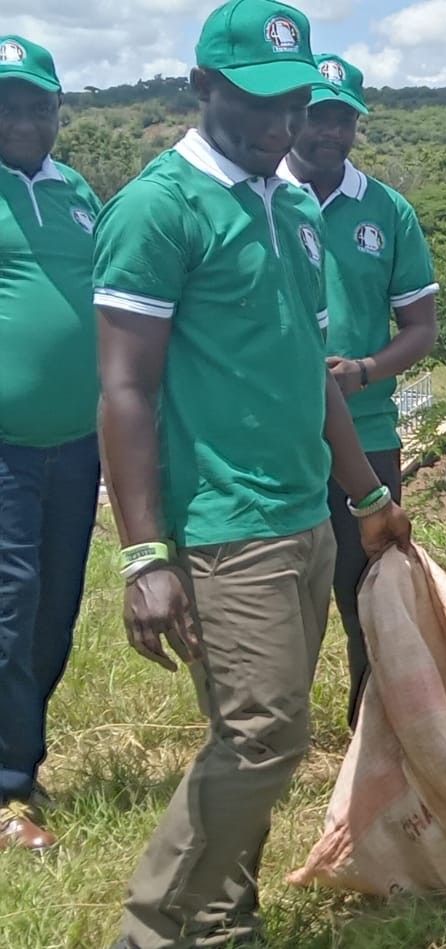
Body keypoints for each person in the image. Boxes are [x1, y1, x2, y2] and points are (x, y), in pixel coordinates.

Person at [92, 2, 409, 945]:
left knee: (251, 734)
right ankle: (153, 928)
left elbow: (311, 372)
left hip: (305, 514)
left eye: (295, 102)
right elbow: (124, 388)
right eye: (259, 102)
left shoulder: (296, 208)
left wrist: (367, 494)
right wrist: (144, 555)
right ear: (203, 87)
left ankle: (224, 921)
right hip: (223, 522)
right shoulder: (159, 208)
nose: (283, 124)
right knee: (266, 736)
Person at [280, 53, 439, 727]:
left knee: (369, 592)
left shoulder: (387, 210)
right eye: (319, 117)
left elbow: (421, 328)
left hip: (367, 434)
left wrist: (366, 370)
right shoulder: (260, 197)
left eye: (344, 120)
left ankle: (370, 736)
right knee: (282, 596)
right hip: (276, 438)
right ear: (293, 116)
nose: (331, 133)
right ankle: (273, 738)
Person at [0, 34, 102, 854]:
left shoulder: (77, 192)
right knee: (12, 600)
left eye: (38, 104)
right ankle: (4, 790)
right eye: (7, 105)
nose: (23, 119)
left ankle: (21, 763)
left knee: (56, 607)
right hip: (4, 446)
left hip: (78, 443)